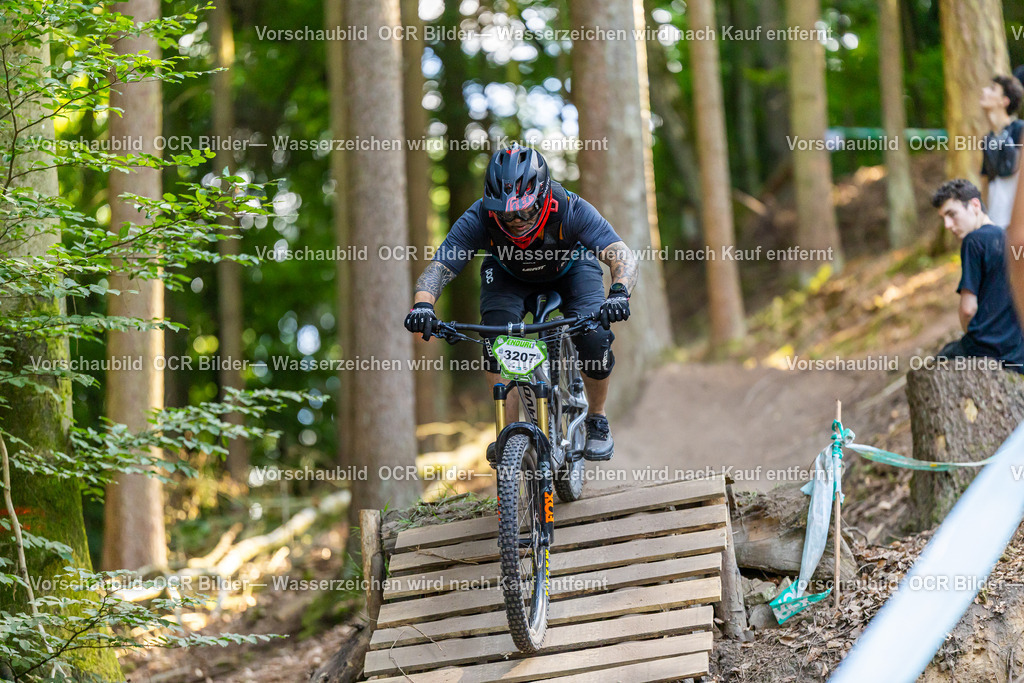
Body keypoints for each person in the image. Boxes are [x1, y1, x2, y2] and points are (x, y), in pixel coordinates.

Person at [404, 144, 638, 462]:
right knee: (495, 340)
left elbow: (620, 253)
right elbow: (440, 267)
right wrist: (422, 306)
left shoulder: (570, 208)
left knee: (594, 336)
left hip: (571, 269)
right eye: (504, 213)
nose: (515, 220)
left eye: (524, 211)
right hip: (507, 275)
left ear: (543, 195)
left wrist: (619, 293)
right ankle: (508, 432)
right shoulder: (479, 217)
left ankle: (597, 418)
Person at [931, 179, 1024, 373]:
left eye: (952, 214)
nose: (947, 225)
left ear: (974, 205)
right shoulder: (1009, 239)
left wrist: (970, 335)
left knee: (937, 363)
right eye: (943, 218)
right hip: (1016, 352)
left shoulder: (973, 241)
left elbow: (968, 309)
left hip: (985, 349)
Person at [979, 75, 1024, 227]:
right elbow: (986, 181)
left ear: (1004, 101)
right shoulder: (987, 140)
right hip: (997, 220)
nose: (984, 91)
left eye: (992, 89)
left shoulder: (1020, 130)